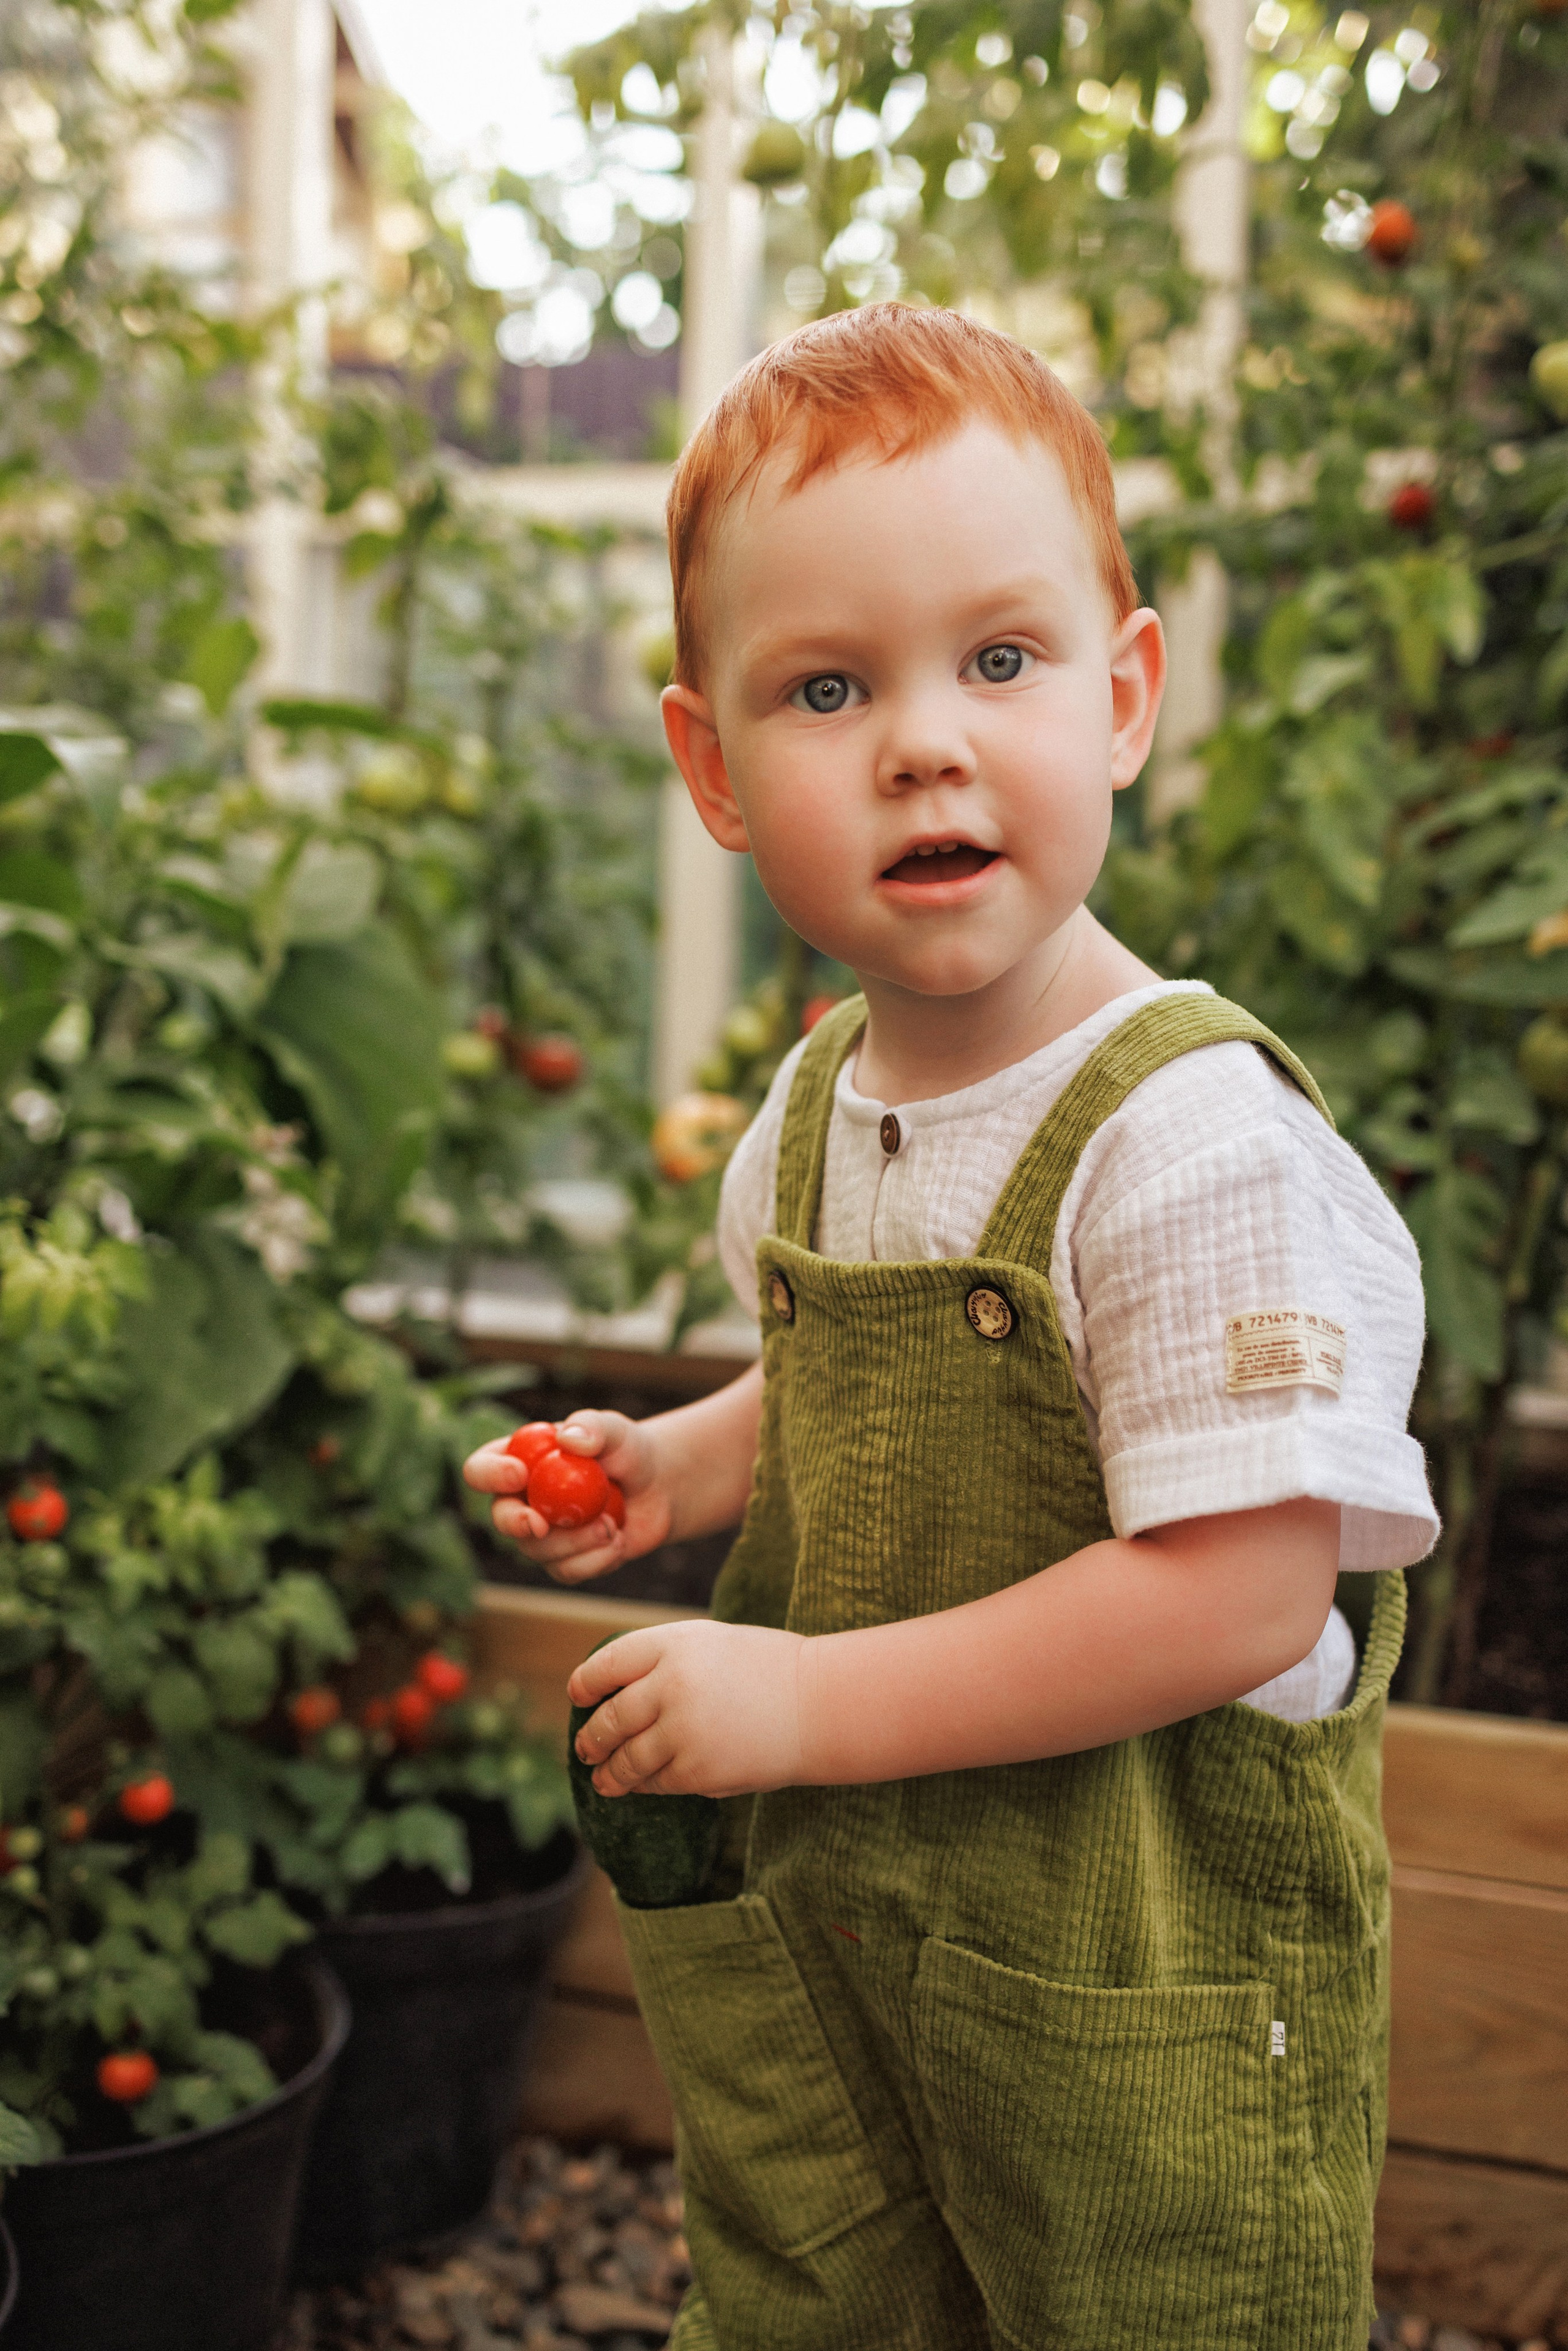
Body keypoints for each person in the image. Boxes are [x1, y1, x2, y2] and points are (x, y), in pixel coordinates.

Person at [464, 303, 1437, 2351]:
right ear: (716, 771)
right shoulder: (823, 1102)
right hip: (874, 1943)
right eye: (831, 686)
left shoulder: (1188, 1150)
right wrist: (675, 1465)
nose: (924, 739)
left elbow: (1241, 1596)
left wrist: (802, 1709)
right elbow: (838, 1382)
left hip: (1131, 1991)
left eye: (1000, 661)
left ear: (1124, 695)